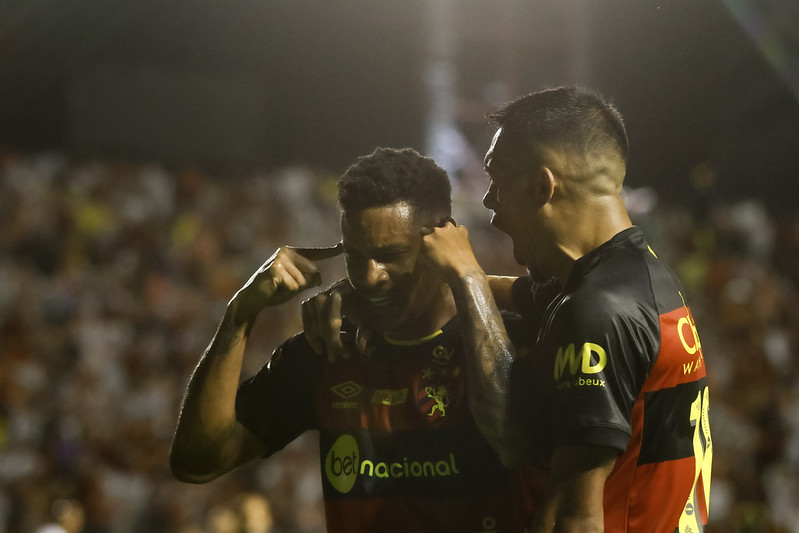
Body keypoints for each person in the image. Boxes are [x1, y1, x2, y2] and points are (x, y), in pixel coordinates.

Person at [169, 147, 534, 532]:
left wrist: (468, 277)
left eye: (390, 255)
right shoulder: (328, 350)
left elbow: (516, 441)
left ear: (444, 238)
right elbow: (197, 463)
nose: (371, 275)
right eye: (355, 256)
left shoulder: (506, 339)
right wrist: (239, 316)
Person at [420, 86, 712, 532]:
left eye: (497, 183)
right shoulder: (636, 277)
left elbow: (574, 519)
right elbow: (525, 297)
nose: (488, 204)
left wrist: (465, 276)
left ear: (542, 185)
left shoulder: (598, 312)